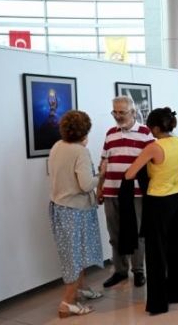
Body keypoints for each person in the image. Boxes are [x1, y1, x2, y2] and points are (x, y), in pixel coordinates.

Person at [124, 108, 178, 315]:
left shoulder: (154, 147)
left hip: (158, 203)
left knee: (156, 253)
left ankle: (159, 302)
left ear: (154, 128)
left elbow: (129, 174)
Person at [48, 110, 104, 318]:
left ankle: (80, 288)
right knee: (74, 256)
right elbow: (86, 184)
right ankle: (67, 303)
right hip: (75, 210)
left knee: (76, 253)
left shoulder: (57, 146)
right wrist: (101, 174)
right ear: (84, 132)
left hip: (60, 208)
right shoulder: (80, 151)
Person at [97, 96, 154, 289]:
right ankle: (120, 270)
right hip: (112, 190)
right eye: (115, 112)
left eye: (122, 112)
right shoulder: (110, 133)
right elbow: (103, 162)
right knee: (115, 234)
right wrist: (100, 187)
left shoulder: (146, 133)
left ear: (133, 112)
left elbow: (152, 163)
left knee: (137, 233)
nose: (118, 116)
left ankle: (138, 270)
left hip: (136, 193)